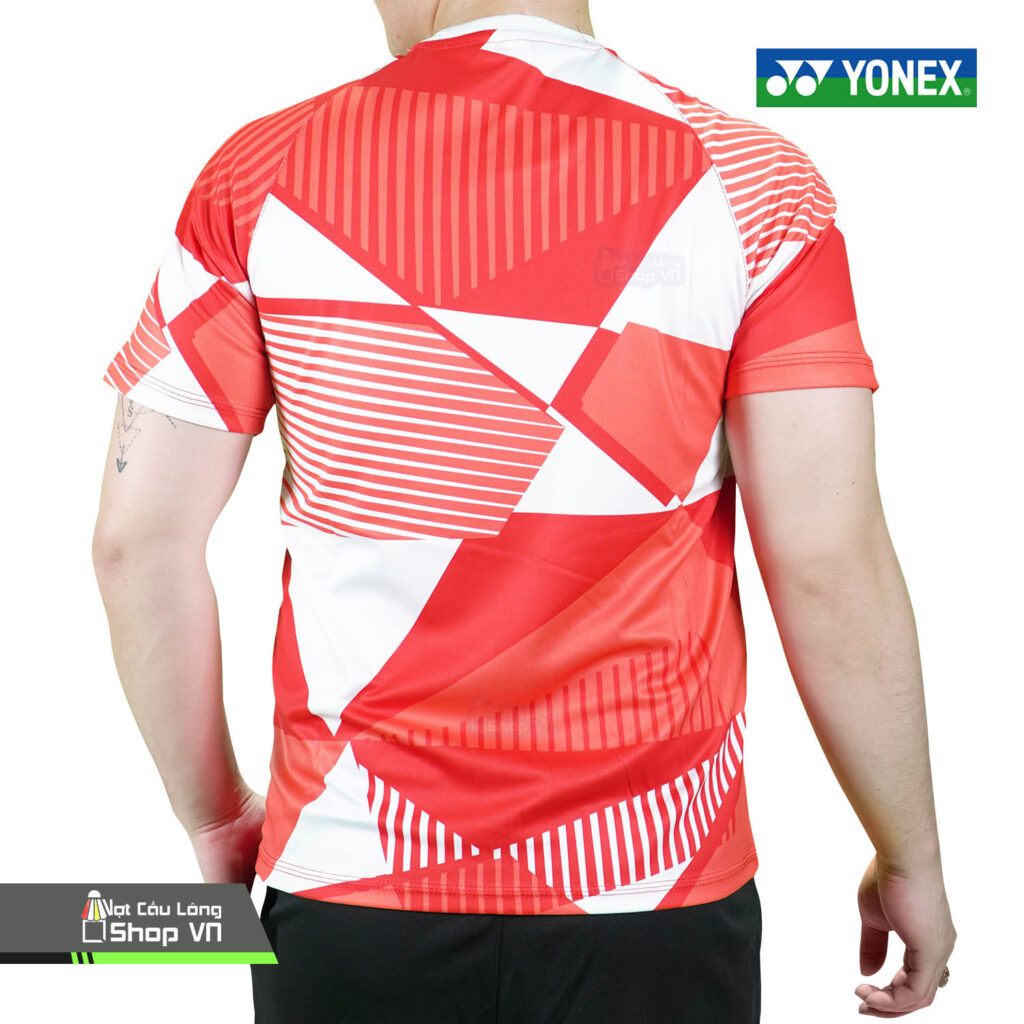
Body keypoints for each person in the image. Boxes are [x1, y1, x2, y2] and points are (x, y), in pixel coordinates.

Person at [91, 1, 956, 1020]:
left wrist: (214, 818)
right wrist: (910, 851)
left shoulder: (256, 176)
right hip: (655, 891)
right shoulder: (755, 184)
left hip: (351, 884)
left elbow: (136, 543)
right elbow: (826, 562)